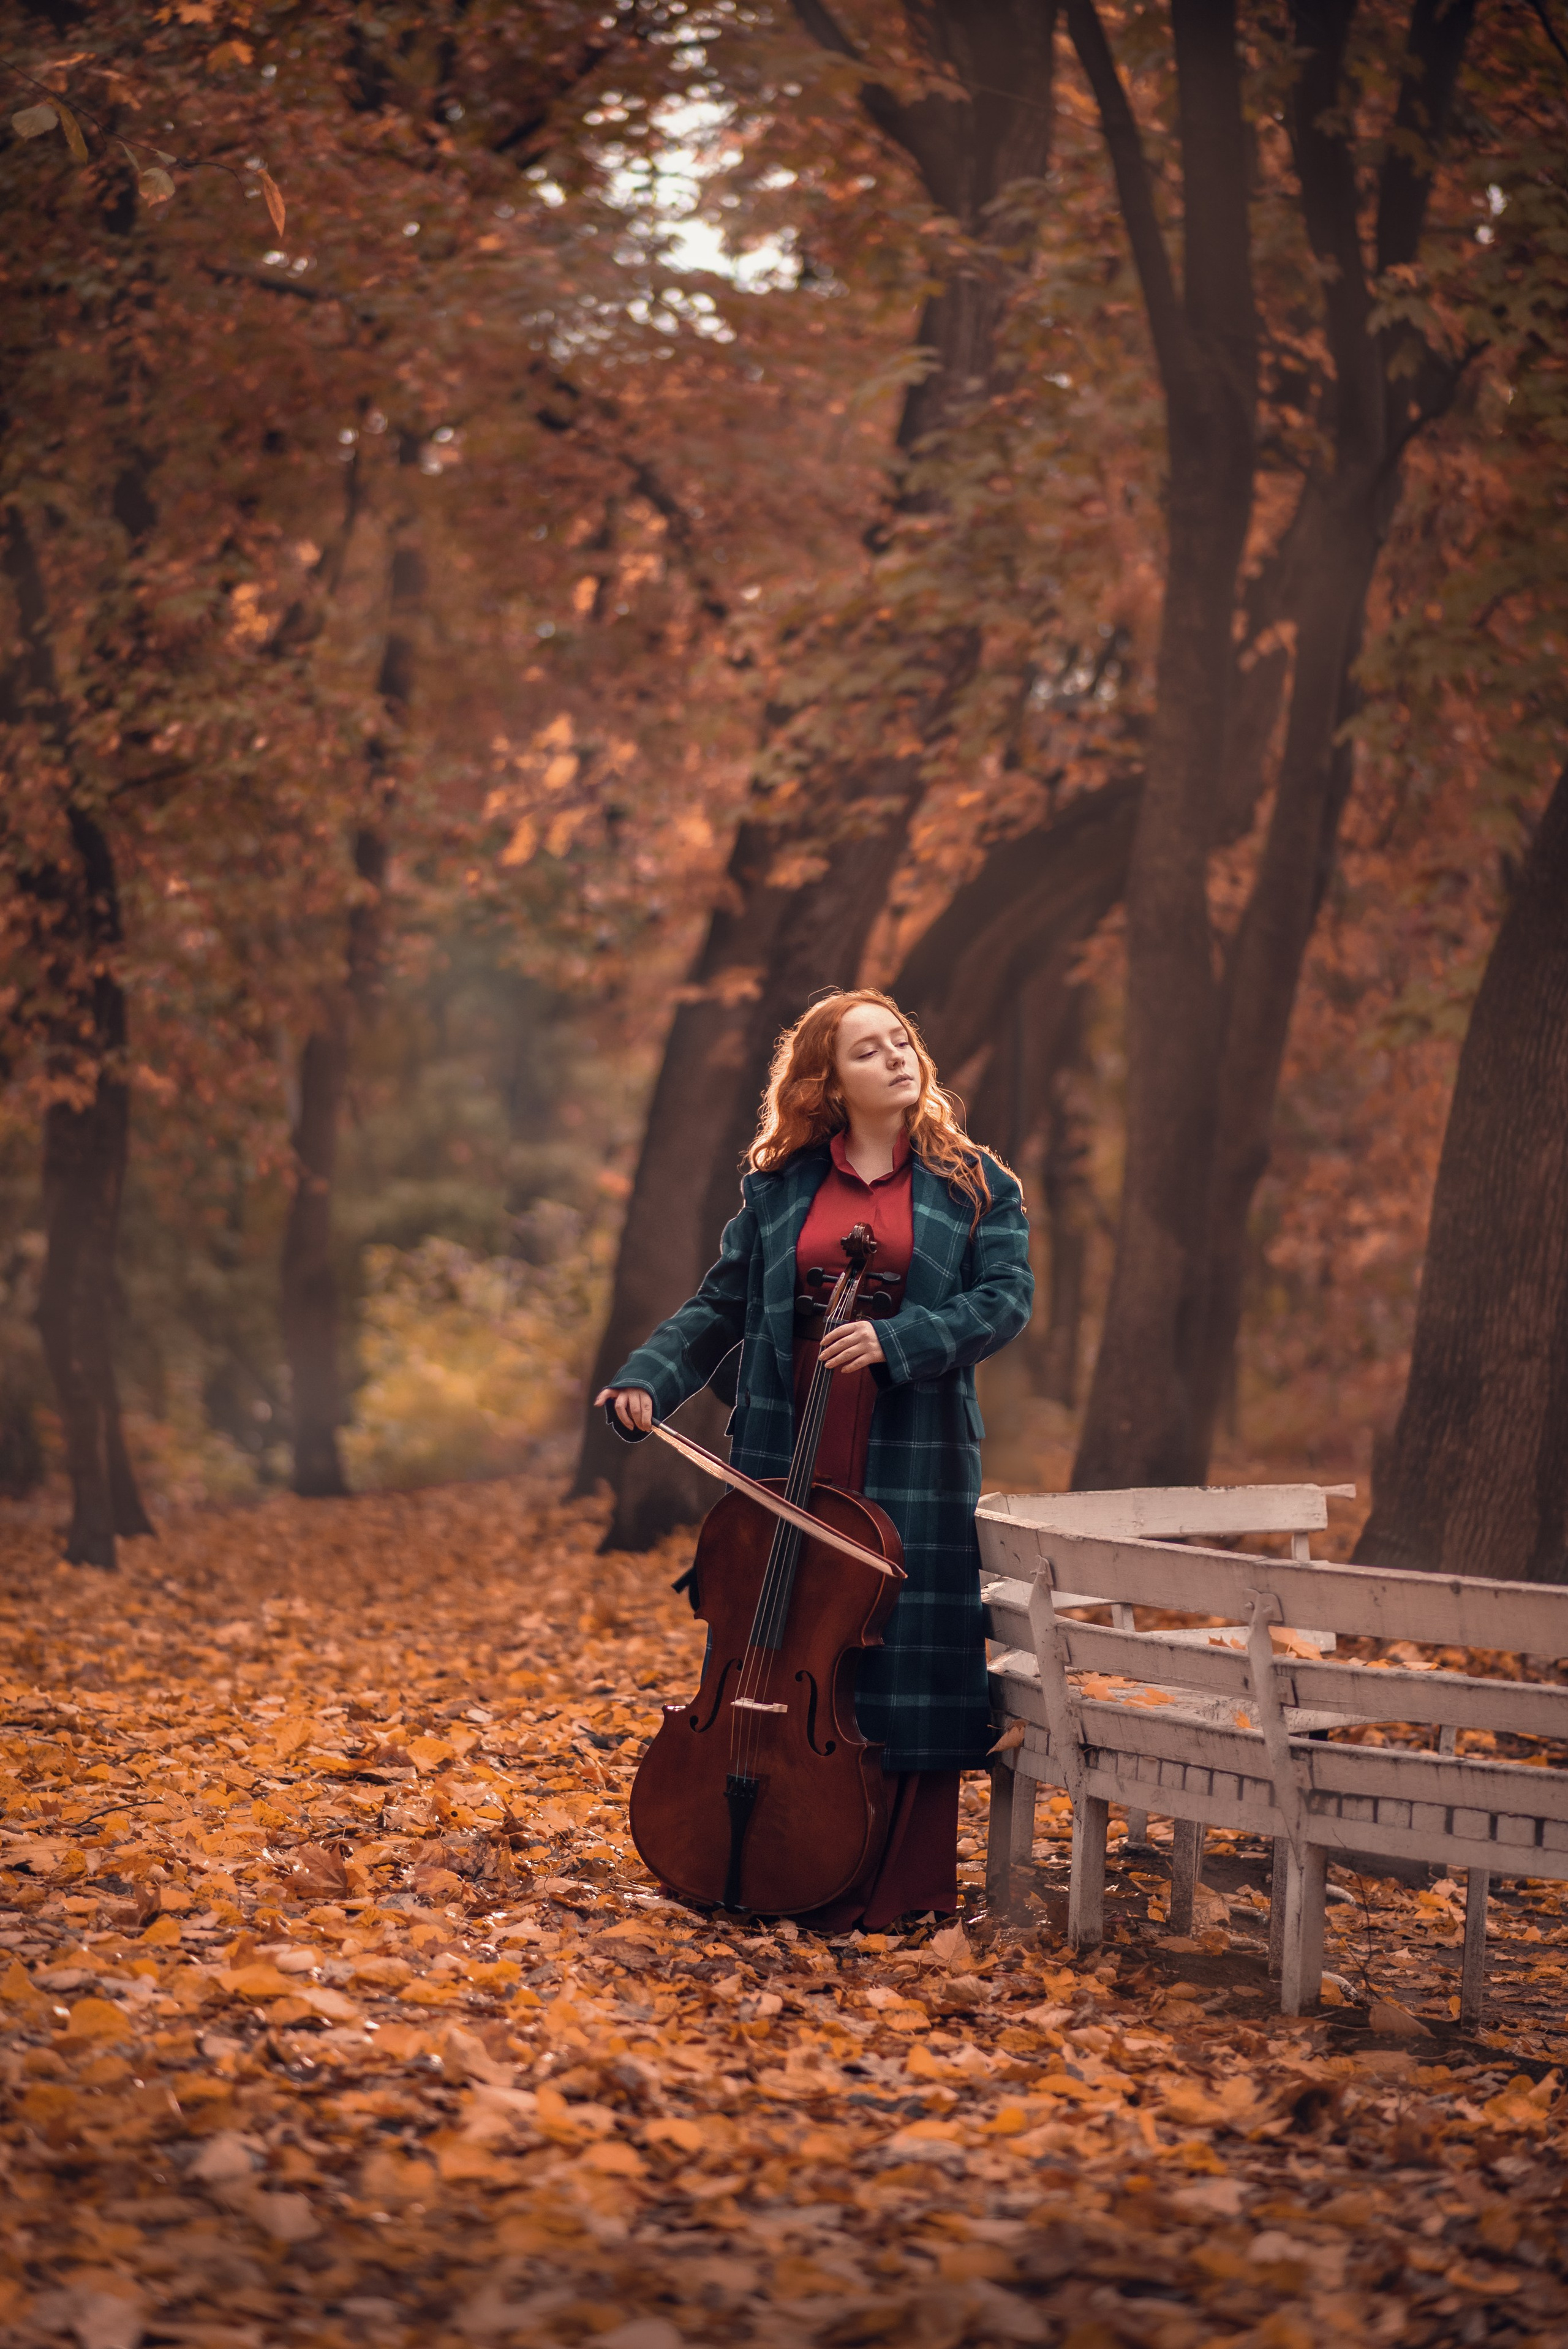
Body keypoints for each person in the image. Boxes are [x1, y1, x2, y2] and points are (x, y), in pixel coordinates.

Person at [595, 987, 1034, 1928]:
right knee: (782, 1642)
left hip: (910, 1448)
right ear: (827, 1084)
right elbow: (720, 1306)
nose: (896, 1057)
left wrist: (896, 1340)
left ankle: (893, 1891)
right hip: (785, 1440)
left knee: (897, 1655)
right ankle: (755, 1856)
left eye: (901, 1041)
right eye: (868, 1051)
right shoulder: (780, 1189)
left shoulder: (976, 1184)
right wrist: (649, 1380)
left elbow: (1004, 1302)